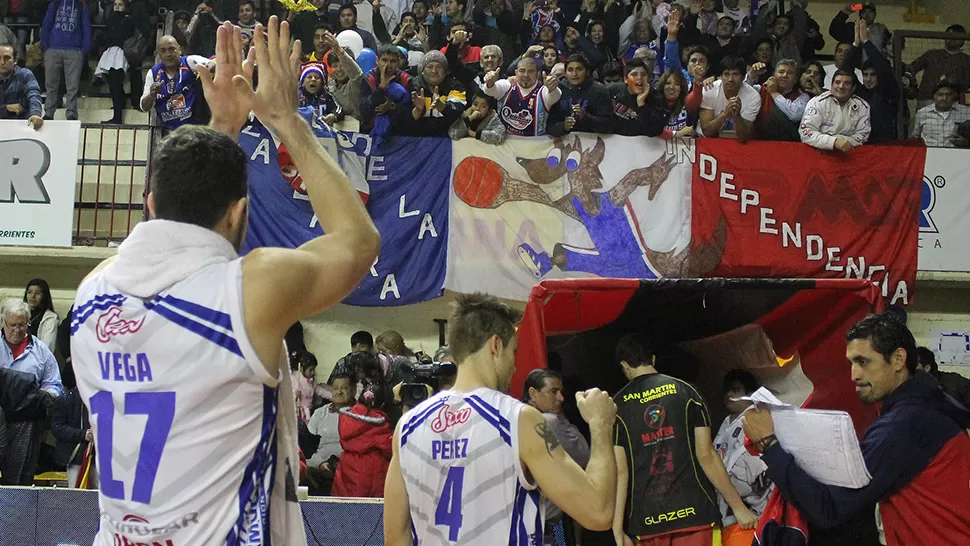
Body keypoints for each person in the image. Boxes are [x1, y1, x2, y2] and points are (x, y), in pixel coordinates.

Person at [70, 18, 380, 545]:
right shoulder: (248, 292)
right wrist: (287, 121)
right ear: (239, 213)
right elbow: (358, 243)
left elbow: (174, 233)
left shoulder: (92, 292)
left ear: (150, 204)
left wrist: (220, 129)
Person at [384, 293, 619, 545]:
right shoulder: (518, 420)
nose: (515, 366)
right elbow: (598, 512)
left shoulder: (407, 426)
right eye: (513, 352)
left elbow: (396, 538)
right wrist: (600, 424)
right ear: (495, 345)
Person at [742, 313, 970, 546]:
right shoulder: (931, 403)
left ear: (898, 359)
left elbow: (828, 510)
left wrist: (769, 444)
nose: (854, 375)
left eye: (863, 362)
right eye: (851, 363)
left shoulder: (906, 423)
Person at [612, 333, 757, 546]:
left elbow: (621, 471)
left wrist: (617, 528)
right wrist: (739, 508)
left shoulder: (616, 408)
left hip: (647, 522)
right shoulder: (687, 393)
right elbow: (706, 456)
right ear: (652, 359)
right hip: (695, 514)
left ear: (624, 365)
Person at [523, 367, 591, 545]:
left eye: (561, 392)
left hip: (530, 525)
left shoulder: (519, 420)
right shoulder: (550, 422)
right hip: (552, 527)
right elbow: (585, 458)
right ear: (533, 393)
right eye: (553, 392)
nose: (560, 398)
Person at [0, 298, 62, 485]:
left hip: (26, 422)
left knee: (18, 481)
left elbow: (55, 386)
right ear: (3, 322)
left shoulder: (41, 351)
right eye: (12, 325)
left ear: (28, 323)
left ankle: (15, 515)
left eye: (22, 325)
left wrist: (47, 393)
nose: (17, 331)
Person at [715, 370, 773, 546]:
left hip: (753, 515)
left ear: (749, 394)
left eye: (735, 389)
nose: (729, 394)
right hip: (728, 514)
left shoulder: (756, 420)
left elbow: (762, 476)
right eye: (727, 390)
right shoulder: (726, 424)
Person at [799, 70, 871, 152]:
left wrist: (841, 142)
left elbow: (862, 136)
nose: (841, 86)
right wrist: (833, 142)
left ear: (853, 88)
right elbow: (806, 133)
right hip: (818, 155)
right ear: (831, 85)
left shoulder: (862, 106)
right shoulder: (817, 102)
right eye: (837, 82)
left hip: (849, 156)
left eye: (846, 83)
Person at [0, 44, 43, 129]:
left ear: (15, 60)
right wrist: (6, 108)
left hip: (21, 128)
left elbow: (34, 94)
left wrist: (35, 114)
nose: (2, 62)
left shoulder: (25, 74)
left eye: (7, 58)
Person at [23, 278, 58, 353]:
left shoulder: (51, 318)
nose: (33, 296)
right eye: (29, 292)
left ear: (44, 296)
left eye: (38, 293)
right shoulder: (19, 314)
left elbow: (47, 347)